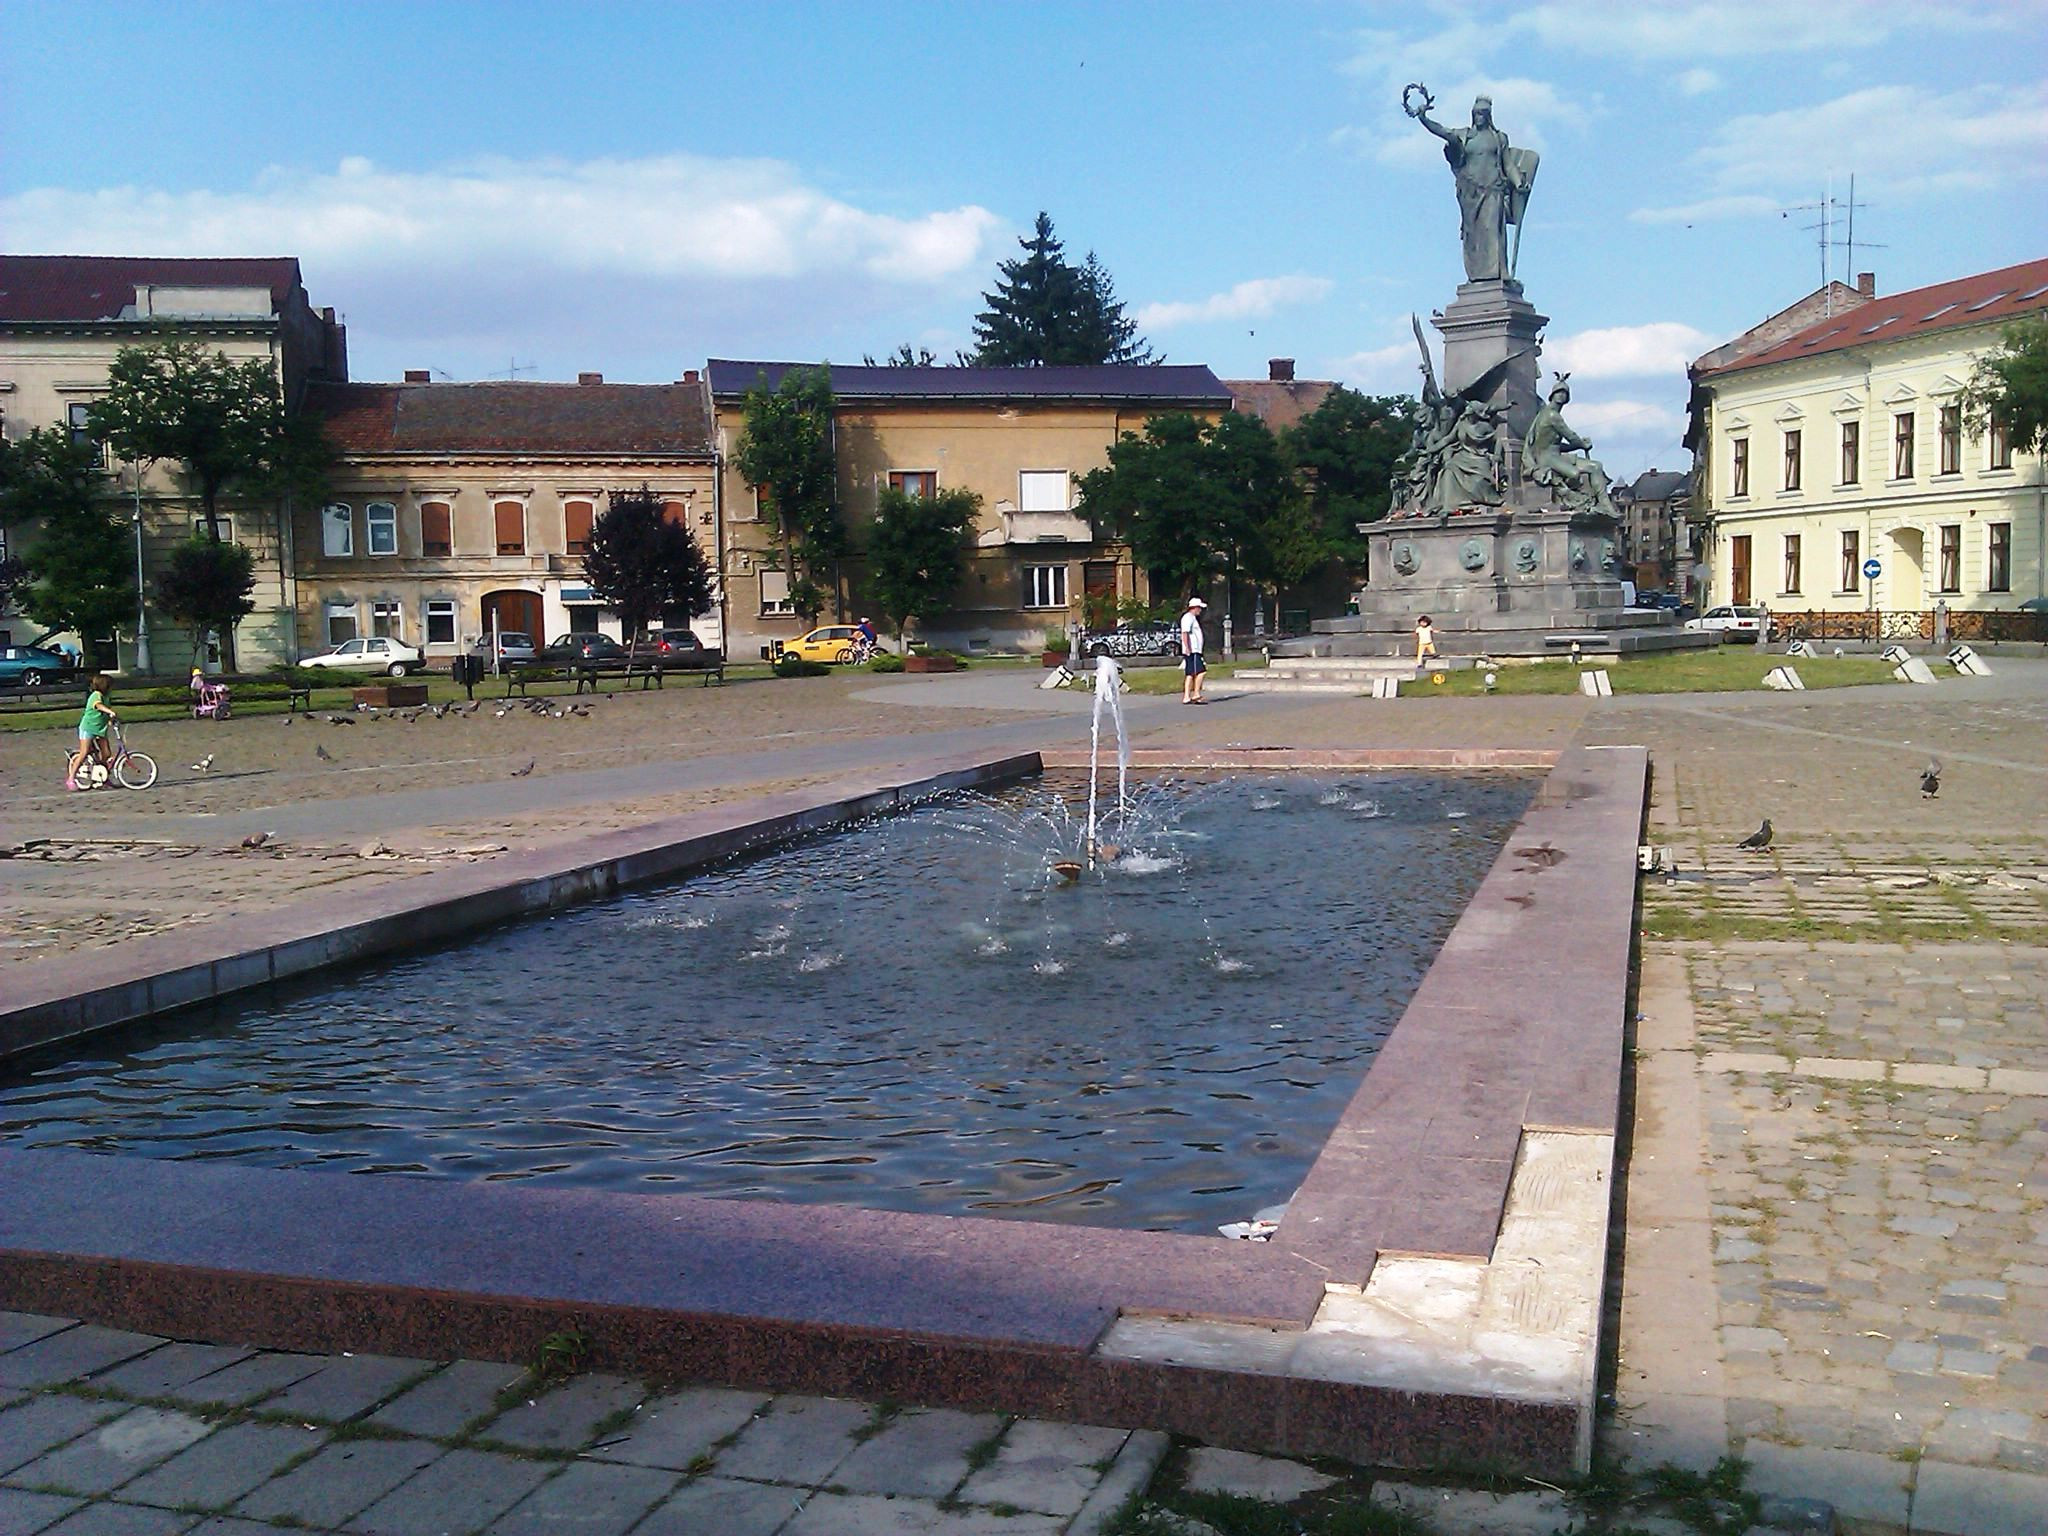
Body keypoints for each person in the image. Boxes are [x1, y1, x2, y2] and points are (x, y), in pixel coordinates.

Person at [68, 673, 117, 789]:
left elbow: (105, 712)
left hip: (100, 728)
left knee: (106, 754)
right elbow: (98, 706)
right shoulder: (96, 695)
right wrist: (109, 711)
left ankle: (101, 777)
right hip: (88, 728)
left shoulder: (107, 698)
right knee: (84, 753)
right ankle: (71, 778)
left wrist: (111, 719)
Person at [1179, 596, 1208, 704]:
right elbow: (1185, 633)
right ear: (1195, 607)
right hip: (1193, 650)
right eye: (1199, 608)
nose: (1200, 610)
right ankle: (1196, 693)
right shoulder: (1188, 618)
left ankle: (1187, 696)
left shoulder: (1192, 618)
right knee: (1201, 671)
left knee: (1190, 673)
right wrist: (1187, 647)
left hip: (1194, 650)